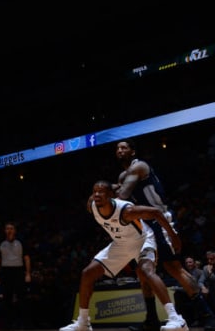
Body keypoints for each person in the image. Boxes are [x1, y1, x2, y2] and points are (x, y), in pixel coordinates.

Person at [59, 179, 188, 331]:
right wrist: (112, 186)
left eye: (101, 192)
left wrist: (173, 236)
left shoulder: (126, 211)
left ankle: (176, 319)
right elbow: (100, 192)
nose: (97, 195)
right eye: (95, 192)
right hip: (121, 244)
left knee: (146, 271)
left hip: (143, 240)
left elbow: (156, 213)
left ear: (111, 196)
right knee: (87, 273)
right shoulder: (92, 206)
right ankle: (83, 323)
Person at [114, 138, 215, 331]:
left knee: (174, 268)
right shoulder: (122, 175)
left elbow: (123, 195)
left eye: (124, 148)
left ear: (132, 152)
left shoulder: (139, 167)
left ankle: (207, 314)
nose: (119, 150)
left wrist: (102, 196)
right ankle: (151, 319)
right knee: (143, 271)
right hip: (144, 224)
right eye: (117, 148)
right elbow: (117, 189)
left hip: (160, 220)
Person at [0, 221, 31, 329]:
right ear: (5, 231)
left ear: (15, 230)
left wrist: (28, 273)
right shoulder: (0, 243)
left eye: (11, 228)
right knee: (7, 299)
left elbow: (27, 258)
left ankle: (23, 324)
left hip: (18, 271)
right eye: (7, 228)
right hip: (5, 272)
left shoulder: (21, 242)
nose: (9, 230)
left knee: (21, 298)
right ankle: (7, 325)